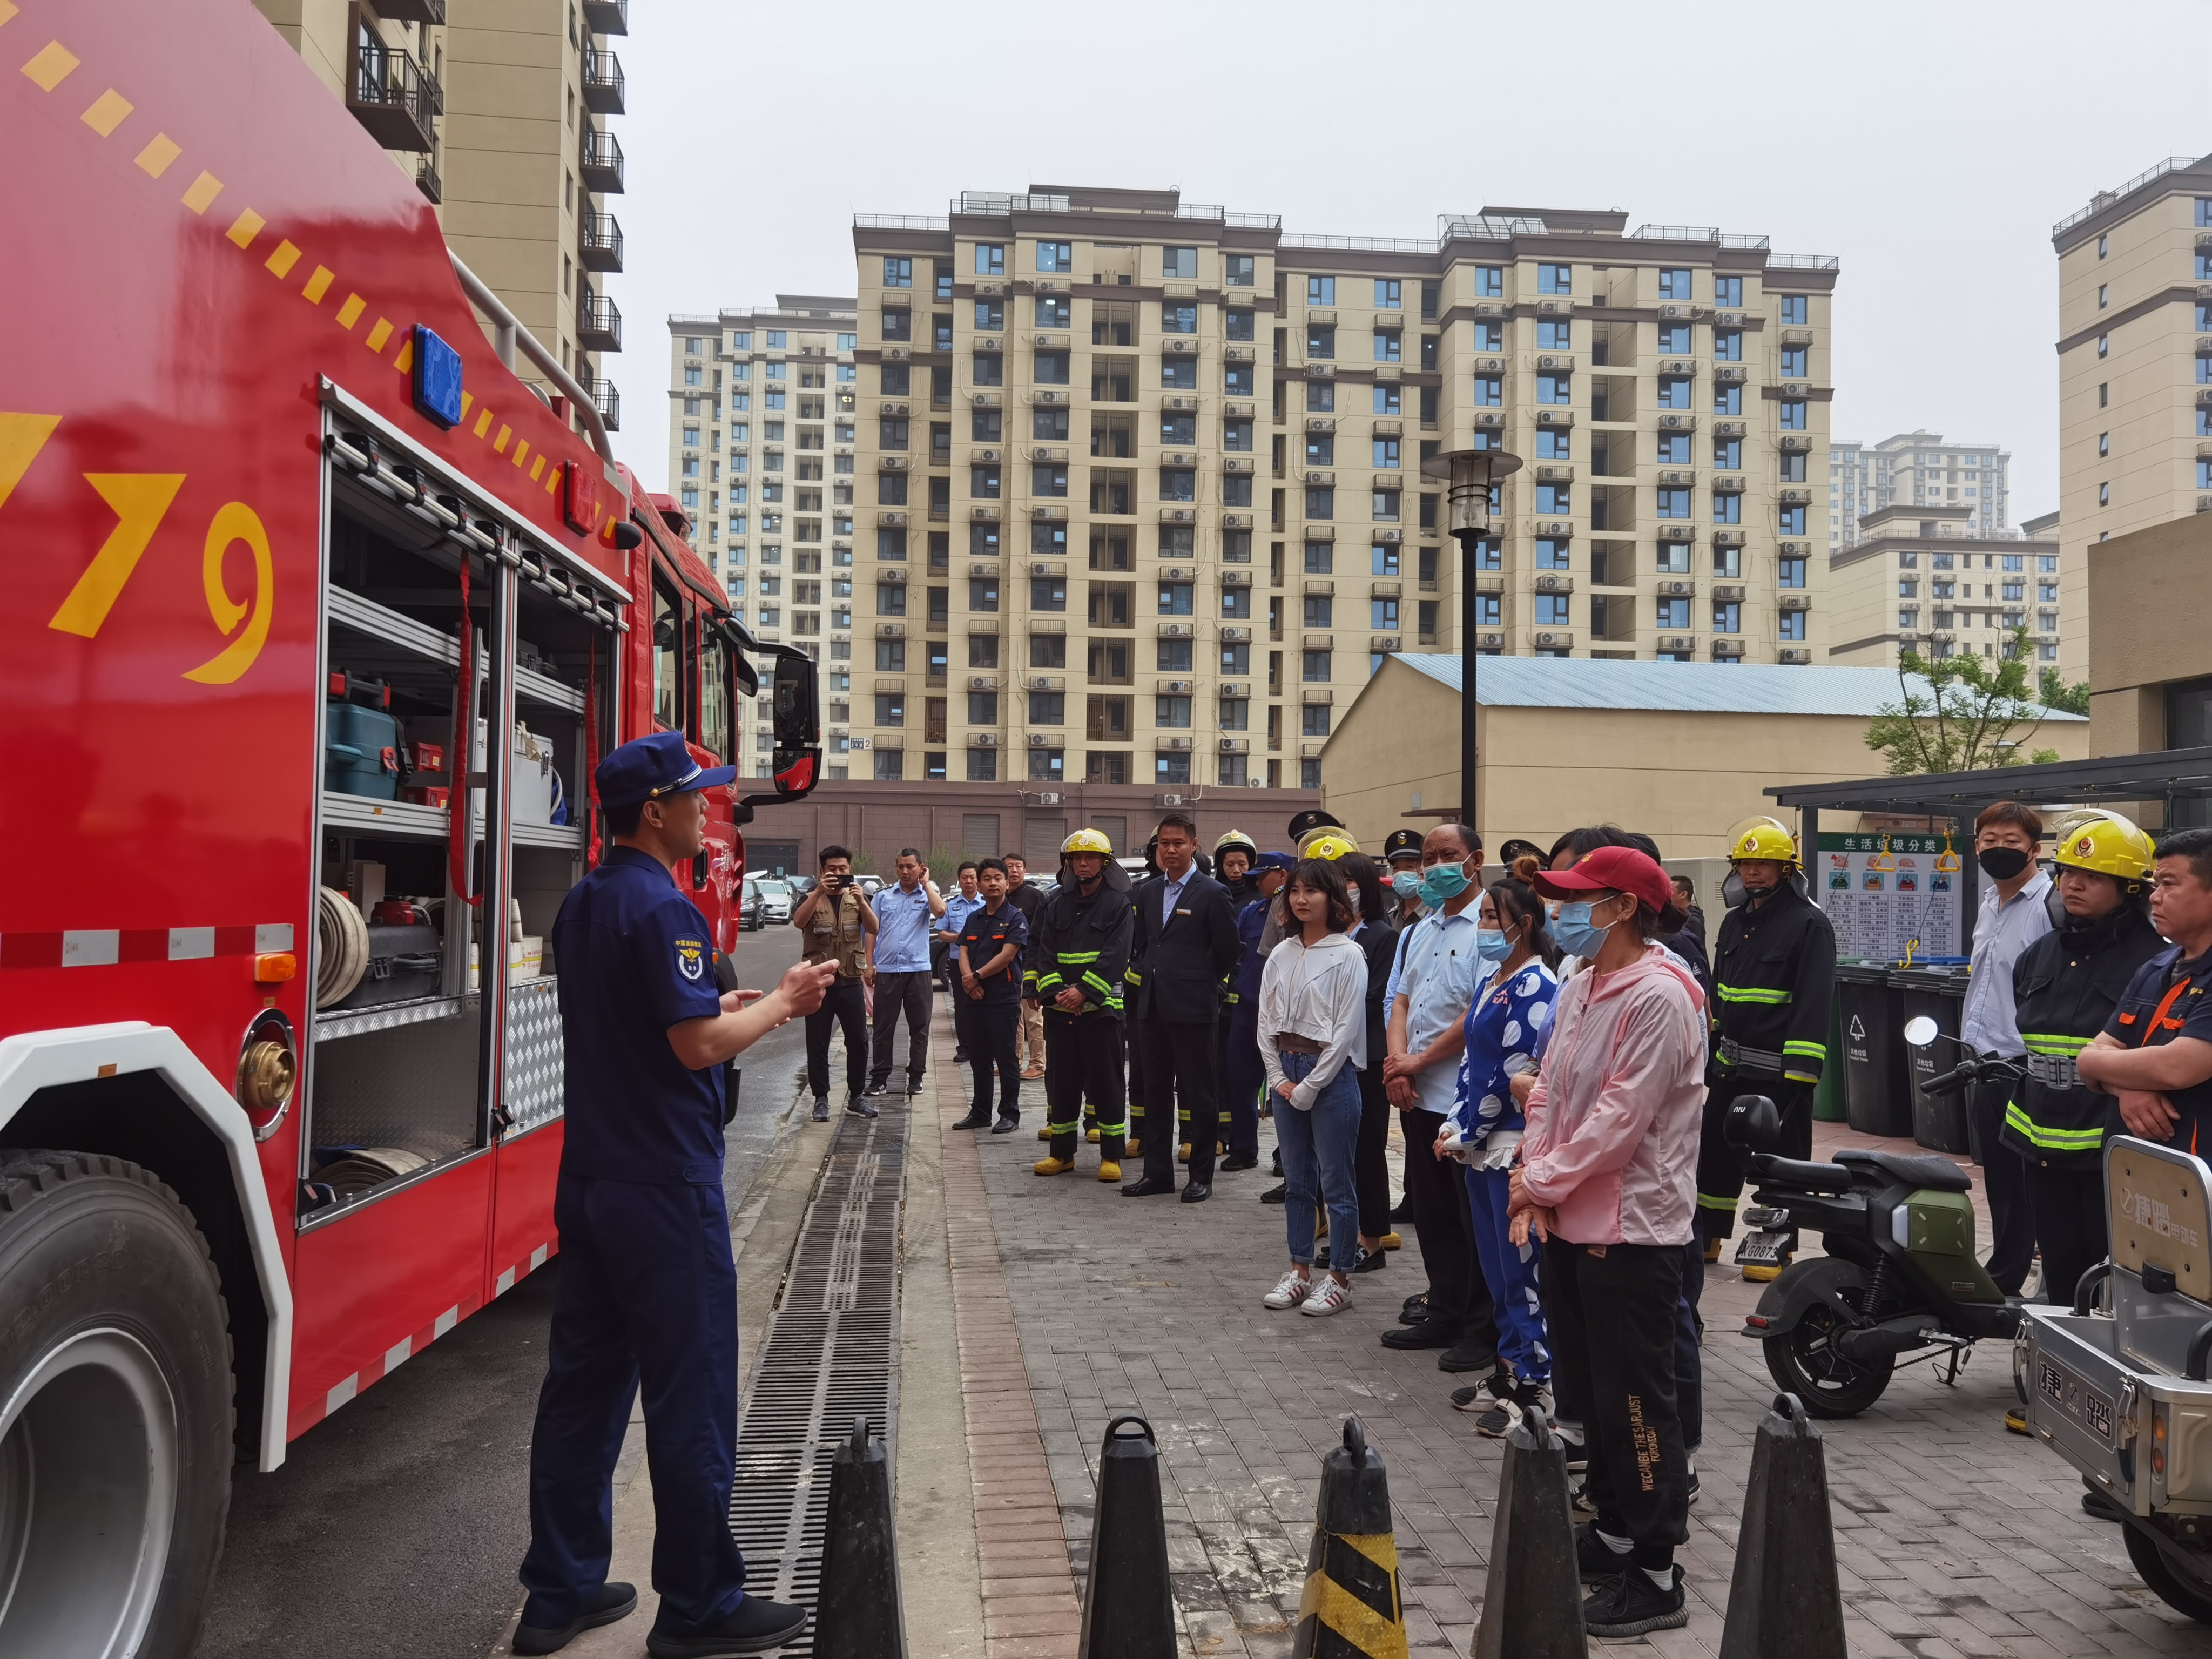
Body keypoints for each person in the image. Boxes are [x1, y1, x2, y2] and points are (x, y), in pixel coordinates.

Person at [515, 730, 834, 1659]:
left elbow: (658, 1020)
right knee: (690, 1393)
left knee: (580, 1391)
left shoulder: (586, 904)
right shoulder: (668, 909)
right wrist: (782, 1007)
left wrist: (739, 1004)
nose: (709, 810)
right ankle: (698, 1604)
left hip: (595, 1180)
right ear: (655, 811)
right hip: (664, 1185)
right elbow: (690, 1047)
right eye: (696, 796)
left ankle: (560, 1590)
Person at [1513, 844, 1705, 1641]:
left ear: (1623, 907)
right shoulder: (1587, 983)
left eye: (1576, 900)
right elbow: (1554, 1084)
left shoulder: (1660, 995)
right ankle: (1617, 1532)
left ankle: (1657, 1571)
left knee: (1635, 1405)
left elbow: (1620, 1122)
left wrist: (1540, 1181)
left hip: (1631, 1231)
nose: (1560, 915)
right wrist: (1536, 1168)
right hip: (1570, 1220)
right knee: (1591, 1394)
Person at [2001, 813, 2163, 1316]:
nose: (2074, 883)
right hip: (2040, 1146)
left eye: (2093, 876)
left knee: (2116, 1283)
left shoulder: (2156, 965)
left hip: (2108, 1155)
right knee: (2062, 1277)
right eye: (2068, 871)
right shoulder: (2039, 956)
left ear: (2130, 888)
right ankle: (2057, 1383)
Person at [1441, 869, 1559, 1434]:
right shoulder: (1494, 980)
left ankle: (1534, 1385)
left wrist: (1468, 1132)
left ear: (1524, 924)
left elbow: (1513, 1075)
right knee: (1495, 1271)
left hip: (1507, 1147)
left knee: (1520, 1274)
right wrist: (1453, 1122)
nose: (1483, 928)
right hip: (1479, 1145)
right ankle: (1507, 1370)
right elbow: (1472, 1065)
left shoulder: (1538, 986)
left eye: (1491, 919)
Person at [1381, 824, 1501, 1373]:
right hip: (1418, 1098)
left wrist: (1420, 1061)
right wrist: (1398, 1067)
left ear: (1474, 861)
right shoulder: (1420, 928)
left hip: (1466, 1104)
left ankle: (1482, 1328)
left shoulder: (1489, 927)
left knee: (1471, 1221)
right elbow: (1401, 999)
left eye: (1447, 856)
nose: (1434, 867)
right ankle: (1444, 1308)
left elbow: (1478, 1010)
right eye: (1428, 858)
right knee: (1431, 1215)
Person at [1698, 816, 1835, 1278]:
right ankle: (1709, 1234)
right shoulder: (1735, 923)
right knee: (1713, 1153)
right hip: (1731, 1069)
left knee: (1780, 1163)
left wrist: (1800, 1072)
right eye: (1745, 864)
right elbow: (1720, 996)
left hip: (1781, 1074)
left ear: (1786, 870)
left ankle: (1777, 1244)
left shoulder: (1809, 923)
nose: (1753, 872)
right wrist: (1714, 1058)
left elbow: (1814, 1001)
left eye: (1764, 864)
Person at [1256, 857, 1371, 1317]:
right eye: (1294, 892)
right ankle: (1299, 1271)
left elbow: (1345, 1031)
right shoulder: (1281, 953)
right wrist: (1278, 1077)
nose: (1301, 900)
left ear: (1333, 899)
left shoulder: (1348, 954)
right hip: (1286, 1069)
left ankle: (1339, 1277)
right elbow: (1264, 1022)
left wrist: (1310, 1085)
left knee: (1337, 1183)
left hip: (1331, 1075)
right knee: (1297, 1182)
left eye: (1312, 892)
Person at [1959, 801, 2051, 1297]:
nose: (1998, 849)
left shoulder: (2049, 905)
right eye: (1989, 841)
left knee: (2030, 1178)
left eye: (2011, 842)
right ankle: (2007, 1273)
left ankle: (2036, 1277)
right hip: (1984, 1062)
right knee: (1999, 1177)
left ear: (2035, 849)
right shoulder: (1990, 904)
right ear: (1976, 846)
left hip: (2027, 1066)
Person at [1125, 813, 1242, 1201]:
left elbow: (1228, 951)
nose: (1170, 850)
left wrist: (1201, 982)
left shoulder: (1212, 892)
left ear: (1194, 846)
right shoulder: (1147, 891)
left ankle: (1200, 1176)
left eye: (1178, 843)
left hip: (1194, 1008)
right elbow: (1143, 945)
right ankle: (1157, 1174)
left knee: (1199, 1092)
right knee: (1155, 1089)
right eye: (1164, 844)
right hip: (1152, 1007)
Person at [2079, 826, 2212, 1157]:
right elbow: (2097, 1048)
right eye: (2156, 885)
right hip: (2143, 1170)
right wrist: (2125, 1088)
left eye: (2169, 884)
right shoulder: (2156, 968)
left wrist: (2095, 1065)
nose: (2154, 897)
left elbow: (2178, 1066)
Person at [1027, 829, 1135, 1180]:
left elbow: (1117, 954)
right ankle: (1062, 1155)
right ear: (1068, 863)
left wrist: (1085, 992)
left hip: (1101, 1012)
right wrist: (1058, 992)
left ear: (1105, 863)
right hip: (1062, 1013)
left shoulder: (1119, 903)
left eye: (1090, 858)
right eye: (1077, 858)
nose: (1083, 863)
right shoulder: (1055, 904)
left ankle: (1111, 1156)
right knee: (1063, 1084)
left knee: (1107, 1084)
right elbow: (1044, 954)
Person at [1342, 853, 1401, 1272]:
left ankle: (1373, 1239)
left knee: (1367, 1149)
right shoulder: (1330, 934)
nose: (1342, 889)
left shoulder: (1381, 936)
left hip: (1369, 1055)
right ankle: (1348, 1237)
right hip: (1332, 1054)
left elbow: (1375, 996)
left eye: (1347, 880)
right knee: (1338, 1152)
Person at [792, 845, 879, 1124]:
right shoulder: (810, 898)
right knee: (817, 1043)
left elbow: (875, 928)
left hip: (851, 980)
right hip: (818, 982)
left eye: (843, 869)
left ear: (850, 870)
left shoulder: (859, 898)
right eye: (832, 869)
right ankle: (821, 1099)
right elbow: (798, 922)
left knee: (859, 1042)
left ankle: (856, 1097)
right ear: (822, 871)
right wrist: (817, 892)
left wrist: (863, 902)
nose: (838, 874)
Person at [1226, 852, 1293, 1180]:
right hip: (1248, 1008)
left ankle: (1286, 1155)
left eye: (1261, 875)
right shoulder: (1253, 912)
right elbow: (1235, 954)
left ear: (1282, 875)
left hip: (1284, 1014)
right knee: (1240, 1080)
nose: (1255, 880)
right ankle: (1243, 1148)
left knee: (1285, 1085)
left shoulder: (1296, 914)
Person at [950, 858, 1028, 1134]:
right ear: (980, 885)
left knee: (1006, 1058)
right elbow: (962, 950)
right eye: (987, 879)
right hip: (975, 998)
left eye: (998, 878)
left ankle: (1009, 1115)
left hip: (1002, 999)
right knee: (979, 1058)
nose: (992, 883)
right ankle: (980, 1112)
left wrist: (977, 977)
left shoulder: (1015, 918)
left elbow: (1008, 955)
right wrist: (969, 983)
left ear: (1008, 883)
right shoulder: (974, 917)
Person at [863, 848, 944, 1101]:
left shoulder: (928, 894)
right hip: (887, 971)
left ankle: (916, 1076)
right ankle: (880, 1078)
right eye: (901, 867)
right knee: (882, 1028)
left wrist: (926, 883)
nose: (905, 871)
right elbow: (871, 931)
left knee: (919, 1027)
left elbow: (940, 912)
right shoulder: (883, 896)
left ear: (921, 867)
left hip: (918, 971)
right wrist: (869, 964)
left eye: (911, 866)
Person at [1003, 853, 1049, 1081]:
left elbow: (1044, 932)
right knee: (1013, 1018)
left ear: (1024, 870)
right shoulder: (1000, 898)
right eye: (1009, 866)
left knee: (1034, 1018)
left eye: (1018, 866)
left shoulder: (1035, 896)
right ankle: (1013, 1062)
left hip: (1031, 964)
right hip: (1007, 967)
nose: (1014, 870)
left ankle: (1039, 1064)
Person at [937, 861, 983, 1056]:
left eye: (973, 877)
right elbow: (941, 933)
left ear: (978, 880)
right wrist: (959, 938)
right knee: (962, 1004)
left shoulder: (986, 903)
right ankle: (964, 1047)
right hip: (957, 961)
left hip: (983, 961)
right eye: (965, 877)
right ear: (959, 880)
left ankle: (983, 1045)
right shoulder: (951, 905)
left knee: (984, 1003)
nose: (969, 881)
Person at [1671, 875, 1706, 950]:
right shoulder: (1679, 916)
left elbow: (1693, 952)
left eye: (1670, 890)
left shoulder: (1692, 921)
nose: (1667, 893)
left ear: (1683, 894)